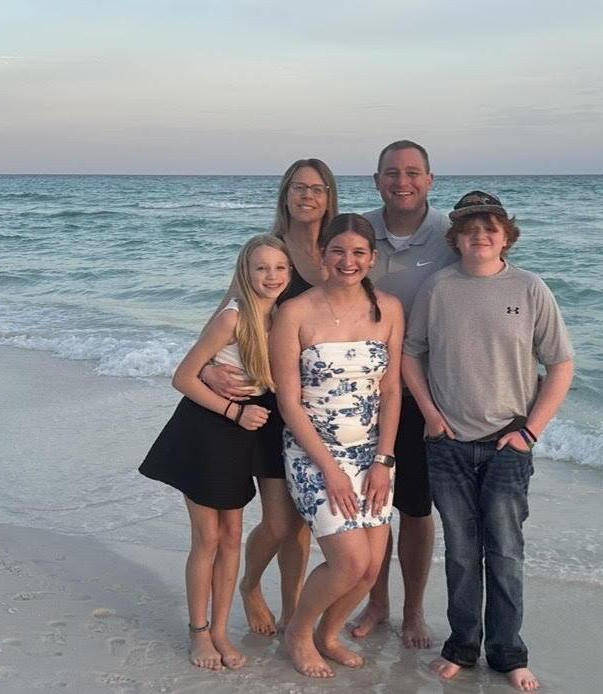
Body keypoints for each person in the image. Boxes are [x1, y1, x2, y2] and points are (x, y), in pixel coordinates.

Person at [401, 191, 575, 692]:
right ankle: (462, 646)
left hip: (507, 445)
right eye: (470, 229)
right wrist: (431, 416)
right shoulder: (438, 288)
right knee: (460, 552)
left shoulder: (530, 288)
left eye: (490, 229)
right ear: (455, 239)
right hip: (448, 444)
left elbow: (561, 364)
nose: (480, 236)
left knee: (505, 552)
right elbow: (411, 354)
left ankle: (507, 653)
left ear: (506, 237)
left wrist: (530, 432)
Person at [139, 235, 293, 671]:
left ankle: (222, 630)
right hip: (207, 429)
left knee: (231, 536)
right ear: (245, 272)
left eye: (279, 268)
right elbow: (183, 376)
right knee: (207, 538)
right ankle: (199, 631)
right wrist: (233, 410)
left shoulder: (282, 317)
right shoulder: (233, 318)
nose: (271, 276)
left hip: (245, 431)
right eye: (261, 268)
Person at [200, 158, 338, 636]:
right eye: (298, 187)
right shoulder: (269, 252)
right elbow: (225, 317)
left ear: (329, 195)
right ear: (285, 194)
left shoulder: (337, 252)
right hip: (268, 405)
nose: (307, 196)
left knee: (301, 524)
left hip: (320, 403)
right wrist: (208, 370)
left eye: (317, 188)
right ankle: (250, 584)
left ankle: (294, 615)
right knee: (279, 523)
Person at [271, 214, 404, 678]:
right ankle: (298, 632)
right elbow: (288, 402)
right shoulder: (294, 312)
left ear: (372, 258)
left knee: (370, 568)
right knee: (349, 561)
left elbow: (391, 391)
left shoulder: (389, 309)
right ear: (323, 255)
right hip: (312, 454)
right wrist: (329, 469)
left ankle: (329, 635)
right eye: (338, 251)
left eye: (359, 253)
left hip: (372, 454)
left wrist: (384, 459)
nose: (349, 261)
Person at [354, 140, 456, 648]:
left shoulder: (451, 236)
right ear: (376, 180)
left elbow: (490, 287)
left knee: (415, 508)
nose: (402, 181)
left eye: (413, 172)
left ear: (430, 180)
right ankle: (376, 603)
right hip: (361, 393)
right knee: (371, 505)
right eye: (391, 172)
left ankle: (413, 611)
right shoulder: (357, 232)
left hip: (422, 394)